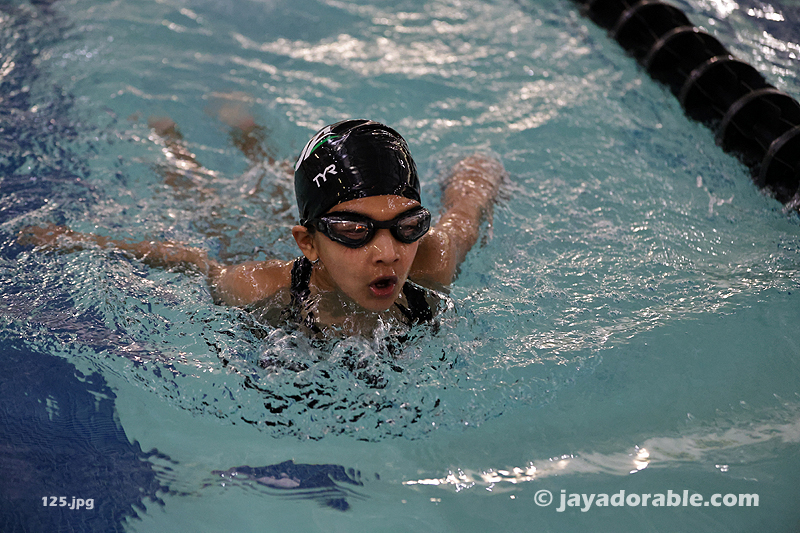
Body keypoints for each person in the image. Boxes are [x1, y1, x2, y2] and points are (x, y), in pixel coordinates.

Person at [20, 118, 505, 336]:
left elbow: (468, 203)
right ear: (307, 243)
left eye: (407, 225)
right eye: (355, 230)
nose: (389, 253)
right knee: (212, 206)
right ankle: (172, 142)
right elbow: (193, 261)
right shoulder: (258, 287)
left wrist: (481, 167)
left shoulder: (431, 261)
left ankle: (246, 128)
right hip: (251, 244)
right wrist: (81, 242)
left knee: (268, 183)